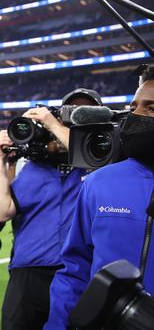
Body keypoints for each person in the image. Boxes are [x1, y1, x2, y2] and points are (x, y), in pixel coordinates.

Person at [45, 66, 154, 329]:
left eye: (150, 108)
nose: (134, 115)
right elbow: (74, 271)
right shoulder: (99, 183)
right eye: (133, 106)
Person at [0, 88, 103, 330]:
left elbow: (88, 154)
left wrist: (52, 124)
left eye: (84, 114)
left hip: (76, 272)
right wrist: (1, 161)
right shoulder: (32, 166)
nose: (75, 118)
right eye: (70, 113)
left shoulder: (99, 164)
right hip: (27, 272)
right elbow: (0, 212)